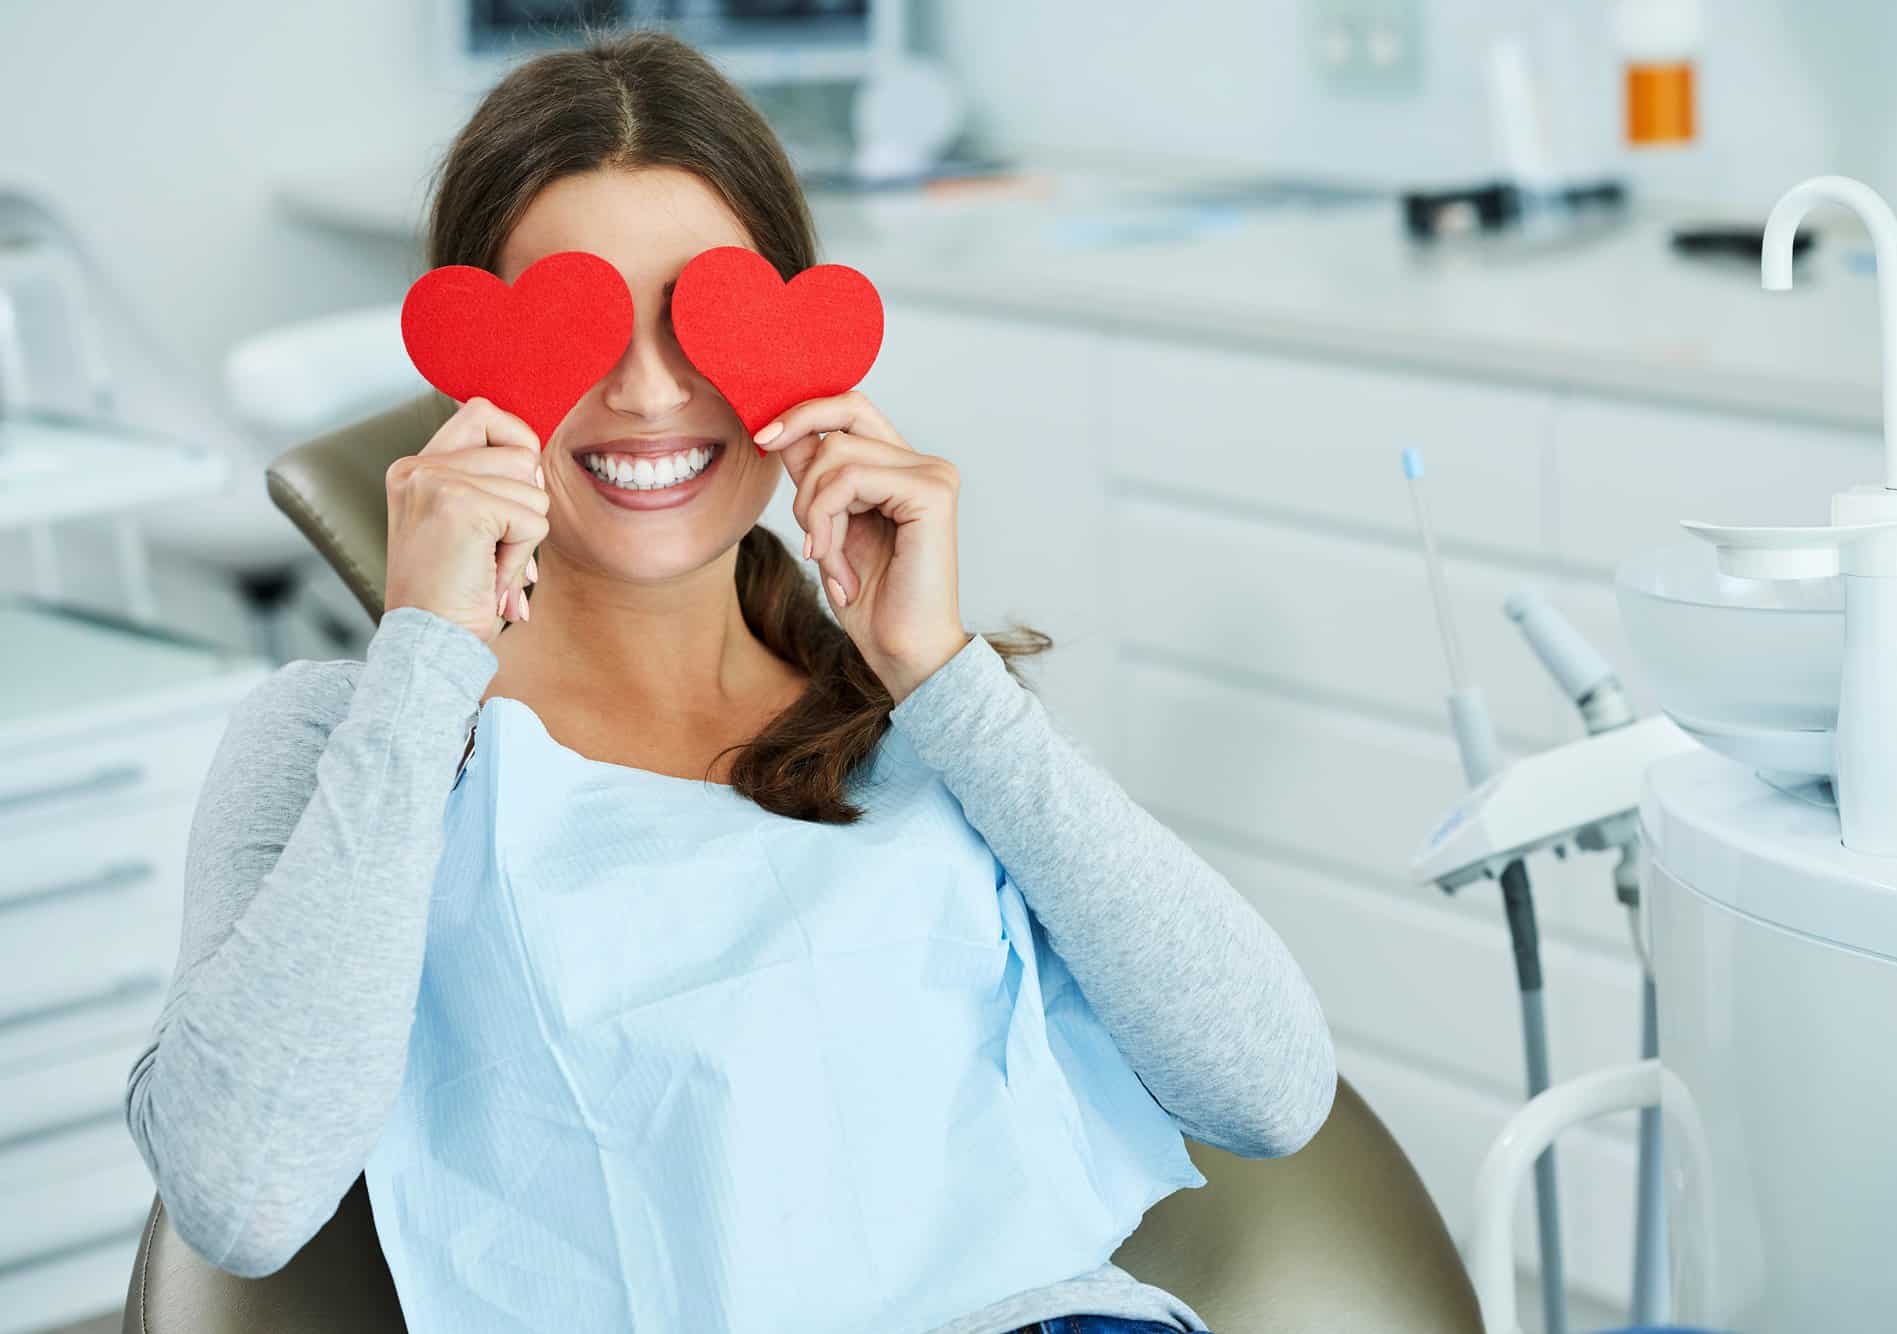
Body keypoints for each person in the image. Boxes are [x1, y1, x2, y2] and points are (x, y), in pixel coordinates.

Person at [123, 28, 1337, 1334]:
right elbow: (241, 1194)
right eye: (580, 323)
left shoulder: (917, 705)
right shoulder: (336, 739)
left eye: (697, 315)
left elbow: (1269, 1085)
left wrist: (940, 671)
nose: (651, 393)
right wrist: (424, 661)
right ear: (476, 362)